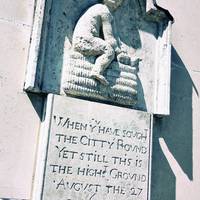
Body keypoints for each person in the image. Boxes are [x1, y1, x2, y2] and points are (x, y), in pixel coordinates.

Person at [72, 0, 124, 85]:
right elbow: (109, 38)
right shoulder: (105, 11)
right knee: (109, 51)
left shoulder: (100, 8)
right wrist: (118, 52)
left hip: (81, 39)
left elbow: (115, 36)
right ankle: (97, 71)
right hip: (83, 40)